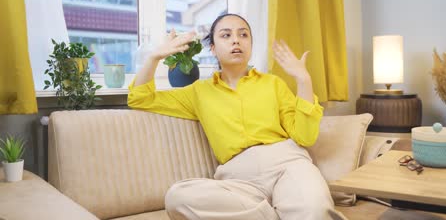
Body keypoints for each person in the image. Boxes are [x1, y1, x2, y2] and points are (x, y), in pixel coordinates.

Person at [128, 14, 345, 220]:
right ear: (212, 48)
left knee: (315, 210)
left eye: (243, 35)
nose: (236, 41)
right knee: (178, 197)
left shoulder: (273, 84)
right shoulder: (198, 92)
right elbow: (140, 99)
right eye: (226, 35)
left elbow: (305, 136)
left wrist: (303, 80)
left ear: (250, 44)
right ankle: (282, 213)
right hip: (239, 182)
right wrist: (155, 57)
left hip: (287, 165)